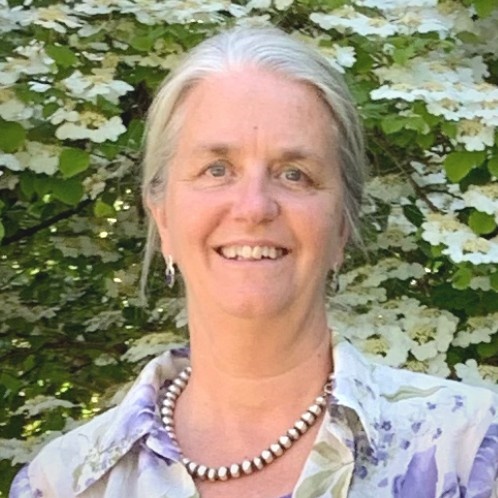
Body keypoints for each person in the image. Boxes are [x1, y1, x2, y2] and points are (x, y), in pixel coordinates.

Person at [10, 26, 498, 498]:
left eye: (295, 174)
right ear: (162, 217)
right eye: (216, 169)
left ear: (342, 227)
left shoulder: (471, 451)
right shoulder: (64, 484)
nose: (254, 207)